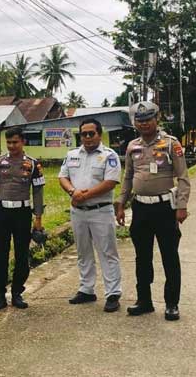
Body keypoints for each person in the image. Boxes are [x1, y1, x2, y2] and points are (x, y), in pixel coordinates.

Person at [115, 101, 191, 321]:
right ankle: (144, 301)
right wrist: (121, 203)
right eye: (140, 121)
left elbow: (183, 177)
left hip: (165, 208)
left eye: (148, 119)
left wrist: (182, 206)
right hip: (140, 208)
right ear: (135, 123)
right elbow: (128, 177)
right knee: (142, 257)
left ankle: (171, 304)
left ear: (157, 119)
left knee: (169, 256)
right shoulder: (132, 146)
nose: (144, 124)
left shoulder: (170, 144)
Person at [58, 118, 123, 312]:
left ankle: (113, 293)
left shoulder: (109, 156)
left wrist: (82, 195)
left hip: (100, 211)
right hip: (78, 212)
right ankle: (86, 289)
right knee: (83, 251)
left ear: (99, 134)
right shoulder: (71, 155)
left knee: (107, 252)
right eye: (83, 134)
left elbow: (110, 182)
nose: (87, 137)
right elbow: (63, 176)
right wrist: (72, 192)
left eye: (91, 133)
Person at [0, 127, 45, 311]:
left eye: (15, 142)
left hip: (22, 213)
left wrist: (38, 217)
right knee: (0, 255)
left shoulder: (33, 164)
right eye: (9, 142)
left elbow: (38, 191)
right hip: (2, 213)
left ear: (23, 142)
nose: (12, 146)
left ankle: (17, 292)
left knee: (21, 255)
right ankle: (0, 295)